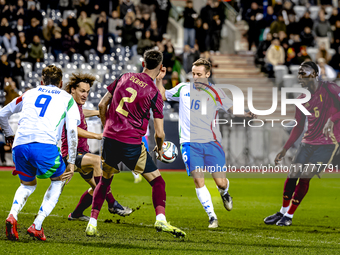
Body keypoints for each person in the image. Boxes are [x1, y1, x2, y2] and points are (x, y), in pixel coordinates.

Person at [85, 49, 186, 238]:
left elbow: (101, 105)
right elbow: (159, 132)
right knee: (158, 182)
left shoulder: (124, 76)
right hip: (131, 144)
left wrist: (107, 127)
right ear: (161, 67)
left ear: (143, 63)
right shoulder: (154, 93)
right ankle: (161, 219)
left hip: (109, 139)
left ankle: (92, 223)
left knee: (105, 181)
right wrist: (159, 146)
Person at [156, 58, 255, 228]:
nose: (195, 78)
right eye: (193, 74)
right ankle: (212, 216)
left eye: (199, 74)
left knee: (221, 182)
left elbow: (231, 109)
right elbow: (163, 95)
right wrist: (159, 79)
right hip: (189, 143)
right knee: (198, 179)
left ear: (208, 74)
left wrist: (245, 114)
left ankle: (224, 193)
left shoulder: (216, 92)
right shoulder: (183, 89)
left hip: (212, 143)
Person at [1, 65, 80, 241]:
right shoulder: (67, 99)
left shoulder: (29, 94)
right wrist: (72, 162)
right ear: (60, 83)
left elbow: (1, 114)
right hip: (45, 146)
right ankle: (37, 225)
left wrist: (8, 134)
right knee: (59, 181)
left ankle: (12, 215)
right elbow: (72, 131)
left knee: (28, 185)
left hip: (20, 146)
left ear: (42, 81)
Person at [264, 61, 340, 226]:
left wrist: (332, 120)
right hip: (307, 142)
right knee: (292, 176)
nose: (299, 77)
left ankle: (289, 216)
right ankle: (282, 212)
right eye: (298, 73)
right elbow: (298, 127)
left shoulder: (330, 88)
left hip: (328, 144)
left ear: (314, 74)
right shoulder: (301, 99)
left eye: (303, 73)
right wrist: (284, 149)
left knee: (305, 177)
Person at [61, 72, 133, 221]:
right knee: (99, 163)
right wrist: (98, 136)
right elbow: (73, 129)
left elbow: (82, 113)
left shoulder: (76, 106)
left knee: (98, 189)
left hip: (82, 153)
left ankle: (76, 214)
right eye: (82, 91)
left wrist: (98, 112)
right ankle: (112, 204)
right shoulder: (69, 105)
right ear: (73, 89)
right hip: (72, 154)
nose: (85, 95)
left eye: (87, 92)